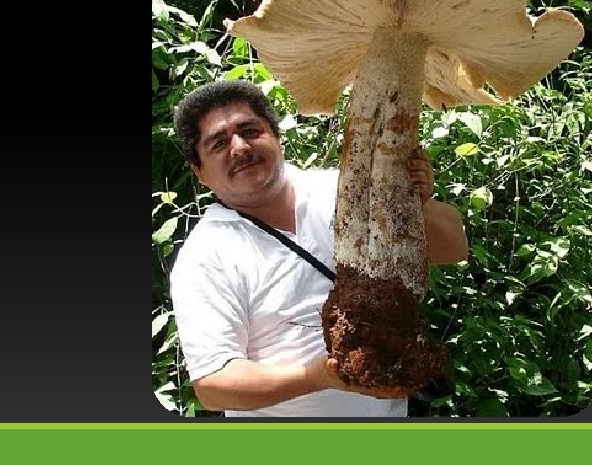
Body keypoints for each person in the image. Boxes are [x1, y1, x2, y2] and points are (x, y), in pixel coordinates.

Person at [168, 79, 469, 417]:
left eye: (250, 131)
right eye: (219, 143)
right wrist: (319, 376)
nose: (239, 147)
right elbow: (214, 386)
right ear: (199, 172)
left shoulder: (345, 188)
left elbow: (453, 248)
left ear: (276, 136)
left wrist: (416, 201)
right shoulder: (206, 255)